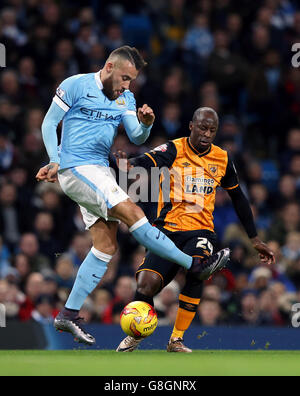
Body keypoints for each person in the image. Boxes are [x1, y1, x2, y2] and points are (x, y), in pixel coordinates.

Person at [36, 47, 228, 345]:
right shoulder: (76, 85)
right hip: (75, 166)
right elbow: (49, 123)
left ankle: (68, 314)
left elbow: (137, 136)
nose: (127, 85)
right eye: (125, 78)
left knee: (106, 246)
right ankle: (195, 265)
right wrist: (54, 159)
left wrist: (146, 123)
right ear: (110, 66)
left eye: (132, 80)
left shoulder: (126, 98)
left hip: (100, 170)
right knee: (134, 213)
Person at [115, 107, 275, 353]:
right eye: (202, 127)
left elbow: (239, 198)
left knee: (199, 269)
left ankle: (176, 339)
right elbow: (146, 161)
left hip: (200, 231)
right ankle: (137, 333)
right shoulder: (173, 149)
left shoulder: (222, 158)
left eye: (212, 130)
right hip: (166, 229)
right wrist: (128, 164)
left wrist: (254, 238)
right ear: (191, 126)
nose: (207, 134)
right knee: (146, 285)